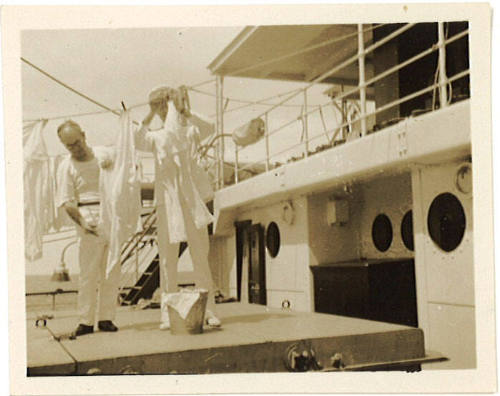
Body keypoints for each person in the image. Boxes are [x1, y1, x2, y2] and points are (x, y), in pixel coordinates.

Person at [135, 86, 221, 329]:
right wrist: (150, 114)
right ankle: (167, 313)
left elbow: (210, 127)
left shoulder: (191, 130)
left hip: (192, 202)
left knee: (200, 256)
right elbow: (136, 138)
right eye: (160, 105)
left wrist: (186, 110)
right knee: (167, 259)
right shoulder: (156, 136)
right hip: (168, 203)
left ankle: (210, 310)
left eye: (166, 104)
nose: (165, 109)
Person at [56, 120, 121, 337]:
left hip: (111, 215)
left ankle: (106, 318)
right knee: (88, 274)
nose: (76, 148)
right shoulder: (66, 166)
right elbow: (66, 201)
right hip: (86, 217)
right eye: (69, 146)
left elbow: (124, 167)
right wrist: (83, 224)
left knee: (111, 271)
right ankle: (85, 321)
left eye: (77, 142)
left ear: (84, 135)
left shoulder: (103, 154)